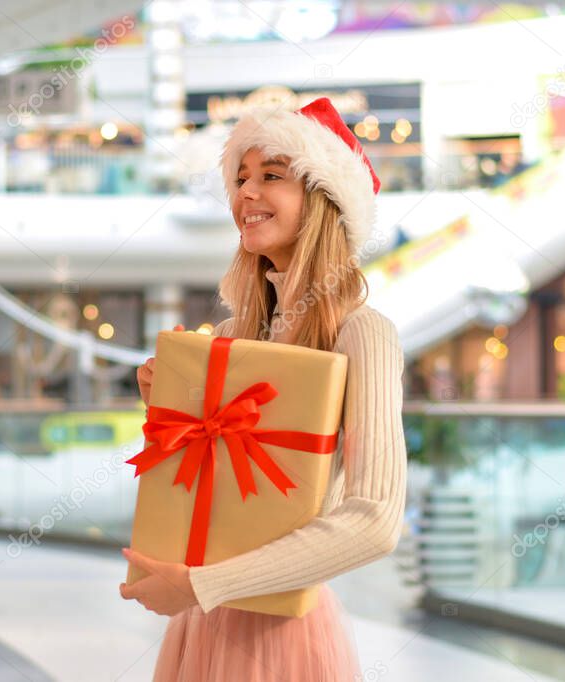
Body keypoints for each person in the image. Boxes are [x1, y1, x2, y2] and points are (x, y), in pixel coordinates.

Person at [119, 97, 407, 681]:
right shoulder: (230, 336)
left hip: (280, 630)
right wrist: (167, 408)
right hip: (202, 620)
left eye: (271, 176)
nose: (245, 194)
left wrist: (205, 584)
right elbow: (214, 489)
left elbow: (376, 520)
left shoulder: (362, 334)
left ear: (325, 202)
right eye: (240, 178)